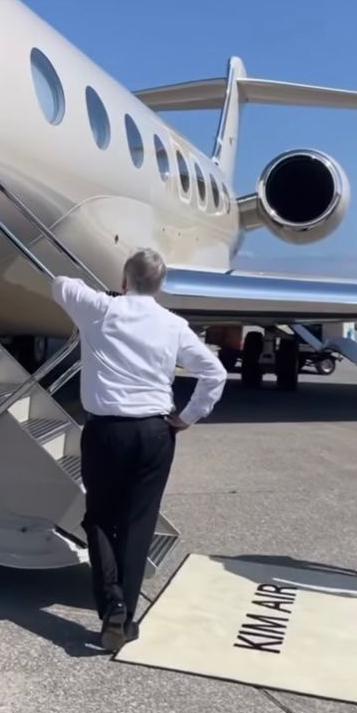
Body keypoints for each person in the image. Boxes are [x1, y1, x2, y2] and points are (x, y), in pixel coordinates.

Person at [52, 249, 227, 651]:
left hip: (105, 432)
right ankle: (124, 619)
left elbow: (60, 284)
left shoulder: (100, 308)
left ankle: (110, 602)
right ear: (161, 285)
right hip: (154, 432)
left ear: (125, 280)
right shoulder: (174, 325)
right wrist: (188, 417)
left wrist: (105, 294)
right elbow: (213, 373)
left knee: (98, 517)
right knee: (137, 524)